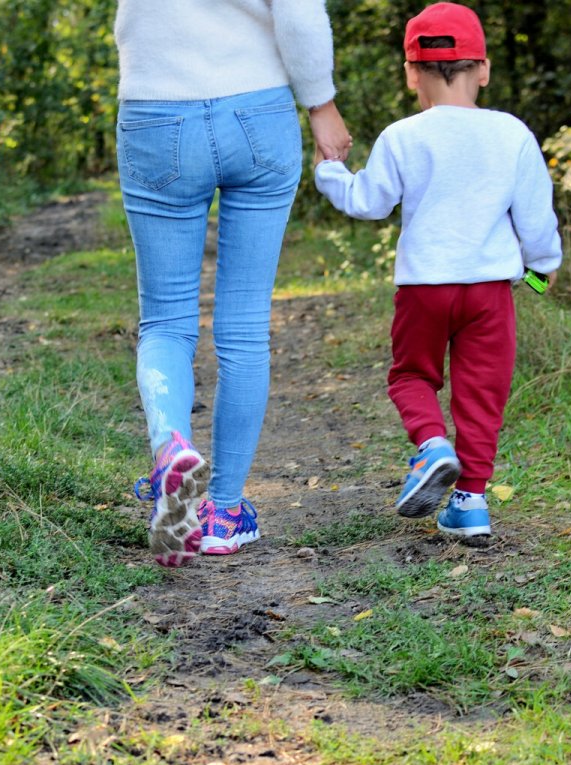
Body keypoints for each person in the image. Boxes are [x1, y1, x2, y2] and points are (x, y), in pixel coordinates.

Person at [314, 1, 561, 546]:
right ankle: (470, 502)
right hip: (491, 292)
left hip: (424, 289)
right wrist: (541, 271)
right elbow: (537, 221)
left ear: (410, 73)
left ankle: (432, 445)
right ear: (485, 70)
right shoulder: (511, 133)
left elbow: (369, 202)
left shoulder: (403, 136)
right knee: (482, 393)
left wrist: (329, 171)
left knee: (411, 377)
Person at [116, 0, 352, 567]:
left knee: (166, 322)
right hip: (259, 109)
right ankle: (223, 512)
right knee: (244, 326)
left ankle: (172, 446)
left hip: (156, 111)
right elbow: (297, 13)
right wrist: (320, 102)